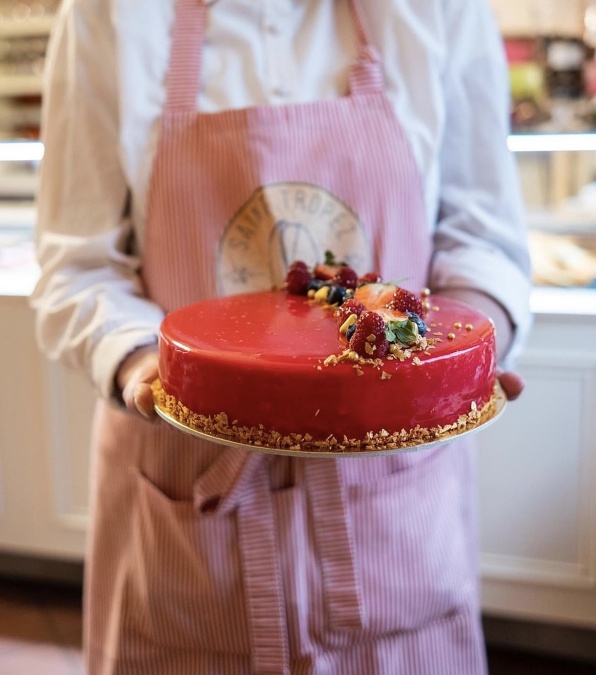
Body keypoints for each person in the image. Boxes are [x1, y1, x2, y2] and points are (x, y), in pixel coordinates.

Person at [31, 0, 531, 673]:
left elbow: (483, 237)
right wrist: (141, 363)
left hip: (389, 492)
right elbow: (79, 265)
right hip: (187, 477)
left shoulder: (436, 10)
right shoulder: (109, 15)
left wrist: (455, 354)